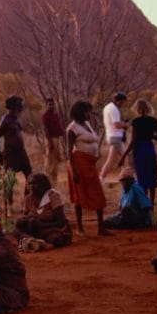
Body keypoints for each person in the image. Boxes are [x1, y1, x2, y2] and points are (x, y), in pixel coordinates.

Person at [65, 101, 110, 236]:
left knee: (97, 192)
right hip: (78, 163)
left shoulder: (87, 125)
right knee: (80, 193)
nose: (88, 114)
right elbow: (68, 151)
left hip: (89, 164)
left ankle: (101, 228)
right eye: (86, 111)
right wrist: (74, 171)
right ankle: (80, 227)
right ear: (80, 112)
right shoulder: (71, 129)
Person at [118, 98, 157, 204]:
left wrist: (124, 156)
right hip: (149, 148)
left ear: (137, 109)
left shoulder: (136, 122)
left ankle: (145, 203)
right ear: (148, 108)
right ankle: (151, 202)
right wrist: (150, 135)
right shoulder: (153, 121)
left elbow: (133, 141)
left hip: (139, 150)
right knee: (152, 177)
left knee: (142, 178)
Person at [12, 172, 72, 248]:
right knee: (16, 230)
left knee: (55, 238)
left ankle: (32, 242)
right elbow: (26, 219)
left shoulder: (53, 197)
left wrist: (41, 224)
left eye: (35, 183)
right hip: (35, 230)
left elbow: (61, 221)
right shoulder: (28, 199)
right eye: (30, 184)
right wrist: (24, 220)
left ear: (43, 184)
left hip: (52, 228)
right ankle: (33, 241)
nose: (32, 186)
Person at [0, 95, 32, 183]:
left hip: (21, 152)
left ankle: (28, 196)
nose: (21, 108)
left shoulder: (16, 119)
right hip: (10, 153)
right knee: (10, 180)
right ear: (14, 107)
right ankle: (8, 197)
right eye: (19, 106)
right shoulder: (5, 120)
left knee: (29, 174)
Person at [100, 92, 131, 180]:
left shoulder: (108, 107)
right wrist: (126, 125)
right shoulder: (114, 109)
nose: (123, 104)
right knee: (119, 160)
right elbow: (116, 124)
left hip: (112, 136)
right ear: (118, 101)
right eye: (122, 102)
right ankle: (102, 178)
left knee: (121, 160)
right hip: (115, 137)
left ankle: (124, 178)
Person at [40, 98, 66, 184]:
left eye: (53, 104)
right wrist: (50, 142)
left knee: (56, 160)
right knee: (50, 160)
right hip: (50, 139)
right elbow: (45, 129)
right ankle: (47, 181)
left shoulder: (55, 115)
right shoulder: (45, 116)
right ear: (46, 105)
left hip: (57, 139)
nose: (52, 106)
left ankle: (54, 181)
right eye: (50, 104)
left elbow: (59, 127)